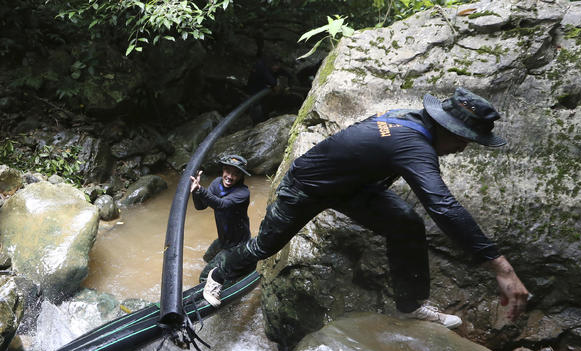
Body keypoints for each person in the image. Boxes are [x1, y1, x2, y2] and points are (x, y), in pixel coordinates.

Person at [202, 87, 530, 330]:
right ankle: (220, 271)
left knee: (405, 222)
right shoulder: (411, 143)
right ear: (445, 127)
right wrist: (503, 268)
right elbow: (442, 206)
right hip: (305, 186)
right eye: (463, 138)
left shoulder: (412, 121)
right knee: (265, 245)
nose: (462, 147)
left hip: (352, 188)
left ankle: (410, 305)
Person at [190, 154, 255, 282]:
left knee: (204, 277)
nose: (230, 177)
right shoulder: (216, 184)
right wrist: (195, 190)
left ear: (241, 176)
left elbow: (222, 205)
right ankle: (225, 271)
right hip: (224, 239)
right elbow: (200, 206)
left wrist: (201, 189)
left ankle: (222, 282)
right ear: (223, 170)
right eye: (228, 171)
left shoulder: (242, 193)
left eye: (235, 174)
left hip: (237, 245)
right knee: (207, 258)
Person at [246, 55, 293, 125]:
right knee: (256, 106)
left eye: (278, 65)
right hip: (255, 90)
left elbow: (289, 75)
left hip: (264, 90)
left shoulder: (276, 68)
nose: (276, 67)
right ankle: (257, 123)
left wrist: (288, 85)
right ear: (270, 64)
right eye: (275, 65)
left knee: (265, 104)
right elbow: (270, 80)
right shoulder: (262, 68)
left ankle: (265, 118)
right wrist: (274, 86)